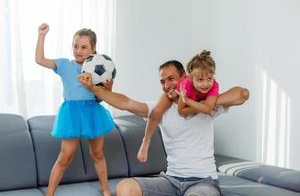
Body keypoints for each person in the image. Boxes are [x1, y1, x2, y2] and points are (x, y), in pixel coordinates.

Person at [78, 60, 249, 196]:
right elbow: (125, 103)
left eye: (171, 79)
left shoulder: (208, 106)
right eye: (163, 81)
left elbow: (241, 94)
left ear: (185, 78)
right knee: (125, 188)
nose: (167, 85)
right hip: (170, 181)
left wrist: (205, 104)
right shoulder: (160, 108)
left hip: (203, 182)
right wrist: (92, 88)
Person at [35, 23, 114, 196]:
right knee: (65, 156)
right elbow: (40, 60)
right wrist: (42, 36)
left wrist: (108, 90)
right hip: (71, 113)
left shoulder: (97, 70)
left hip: (92, 112)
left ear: (93, 50)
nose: (78, 50)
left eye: (84, 47)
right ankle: (50, 193)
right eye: (75, 46)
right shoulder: (64, 65)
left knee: (97, 153)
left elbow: (99, 98)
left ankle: (106, 189)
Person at [137, 50, 220, 163]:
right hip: (184, 97)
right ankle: (145, 142)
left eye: (171, 79)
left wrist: (197, 103)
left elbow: (207, 107)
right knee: (156, 111)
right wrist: (178, 95)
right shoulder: (184, 85)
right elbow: (180, 110)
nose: (205, 83)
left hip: (190, 100)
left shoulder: (212, 85)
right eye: (162, 81)